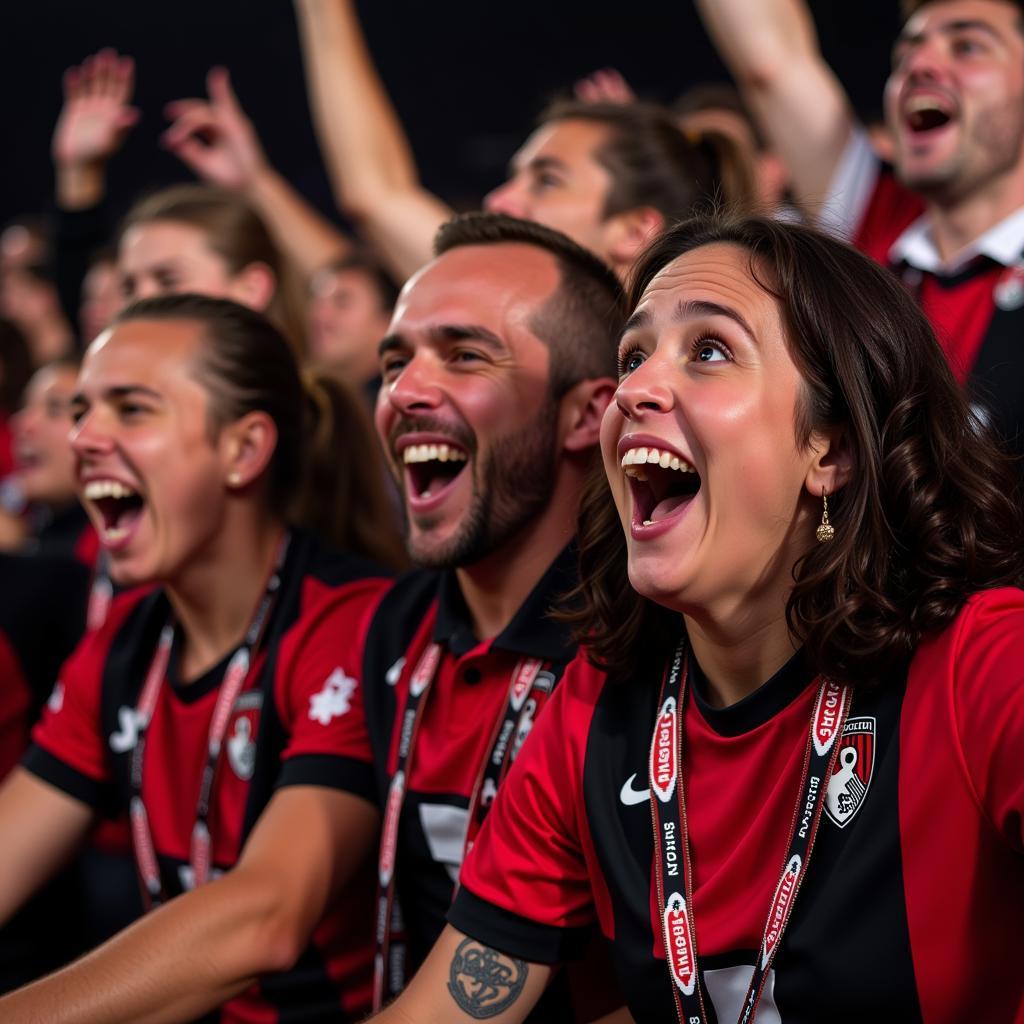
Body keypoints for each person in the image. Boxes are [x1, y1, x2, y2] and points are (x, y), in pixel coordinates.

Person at [365, 213, 1024, 1023]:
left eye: (708, 350)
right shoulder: (593, 712)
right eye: (632, 356)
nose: (633, 390)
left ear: (831, 449)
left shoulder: (983, 666)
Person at [0, 294, 394, 1022]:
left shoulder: (354, 621)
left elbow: (264, 919)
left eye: (132, 409)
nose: (84, 437)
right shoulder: (125, 637)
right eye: (83, 410)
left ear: (243, 449)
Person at [358, 212, 626, 1018]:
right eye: (394, 362)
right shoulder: (391, 628)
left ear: (589, 414)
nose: (404, 392)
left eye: (466, 354)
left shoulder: (648, 652)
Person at [695, 0, 1024, 464]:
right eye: (905, 54)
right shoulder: (874, 210)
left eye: (967, 47)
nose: (921, 65)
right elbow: (769, 64)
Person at [293, 0, 756, 282]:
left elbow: (772, 66)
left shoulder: (675, 389)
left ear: (634, 231)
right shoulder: (499, 302)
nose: (497, 200)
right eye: (513, 178)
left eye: (547, 181)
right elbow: (376, 193)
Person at [307, 250, 398, 393]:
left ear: (387, 323)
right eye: (317, 301)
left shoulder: (398, 404)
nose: (320, 315)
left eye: (342, 301)